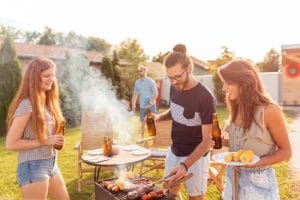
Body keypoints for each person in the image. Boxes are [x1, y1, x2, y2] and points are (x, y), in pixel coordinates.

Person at [218, 59, 292, 200]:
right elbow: (242, 146)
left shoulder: (269, 111)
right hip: (232, 179)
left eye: (228, 83)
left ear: (244, 82)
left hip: (258, 186)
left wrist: (258, 163)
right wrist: (224, 142)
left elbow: (286, 152)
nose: (223, 88)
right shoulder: (236, 105)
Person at [156, 44, 216, 200]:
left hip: (196, 157)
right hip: (174, 151)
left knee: (195, 198)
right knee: (169, 194)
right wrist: (161, 117)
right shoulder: (175, 86)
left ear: (189, 68)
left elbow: (207, 141)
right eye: (170, 78)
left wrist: (185, 165)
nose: (174, 82)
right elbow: (176, 109)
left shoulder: (205, 98)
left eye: (177, 76)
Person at [6, 57, 70, 200]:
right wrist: (45, 141)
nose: (51, 79)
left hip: (51, 163)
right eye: (46, 75)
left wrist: (55, 140)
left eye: (53, 75)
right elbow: (10, 143)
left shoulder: (47, 102)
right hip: (32, 166)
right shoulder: (27, 104)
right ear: (34, 78)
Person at [131, 66, 158, 138]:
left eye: (140, 71)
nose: (139, 72)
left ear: (145, 71)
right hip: (142, 106)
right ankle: (142, 138)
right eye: (138, 71)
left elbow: (156, 93)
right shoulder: (137, 82)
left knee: (151, 122)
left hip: (151, 106)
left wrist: (151, 102)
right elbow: (135, 94)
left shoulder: (151, 81)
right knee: (142, 123)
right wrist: (133, 104)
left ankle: (152, 139)